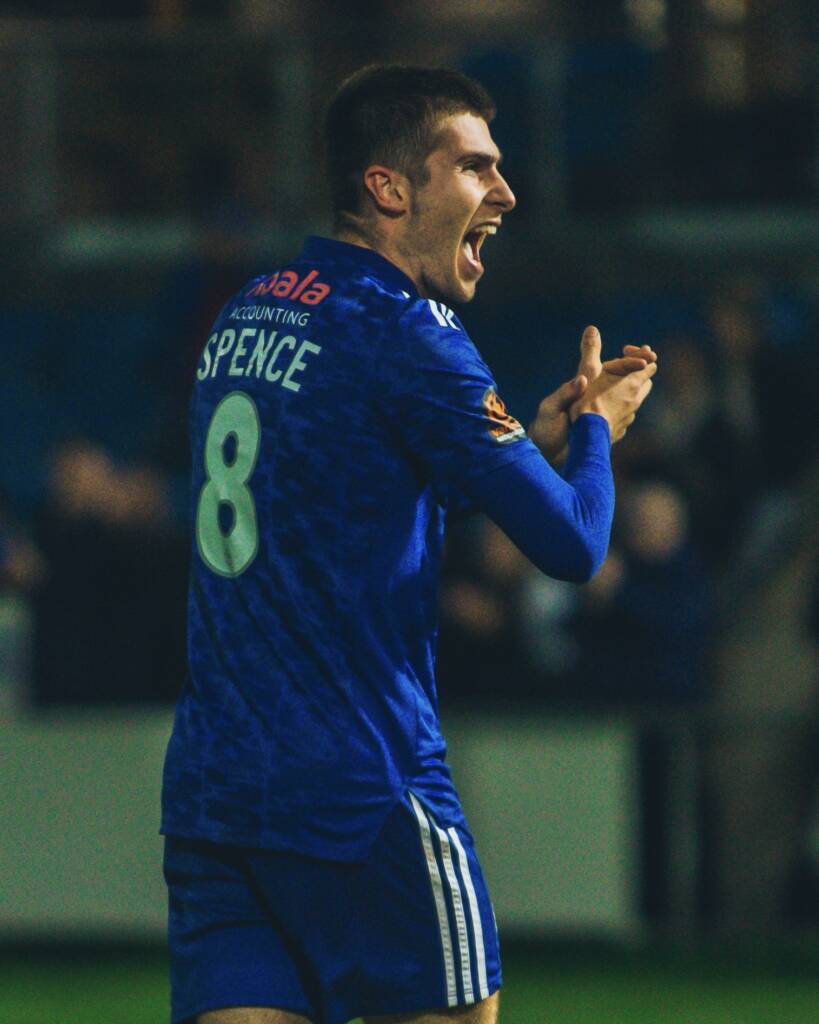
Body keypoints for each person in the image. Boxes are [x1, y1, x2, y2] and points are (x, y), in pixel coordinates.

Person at [160, 64, 658, 1024]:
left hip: (216, 786)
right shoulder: (404, 331)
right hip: (361, 782)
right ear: (389, 188)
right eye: (473, 167)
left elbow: (342, 504)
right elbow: (571, 544)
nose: (504, 193)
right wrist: (596, 433)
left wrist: (521, 449)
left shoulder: (250, 309)